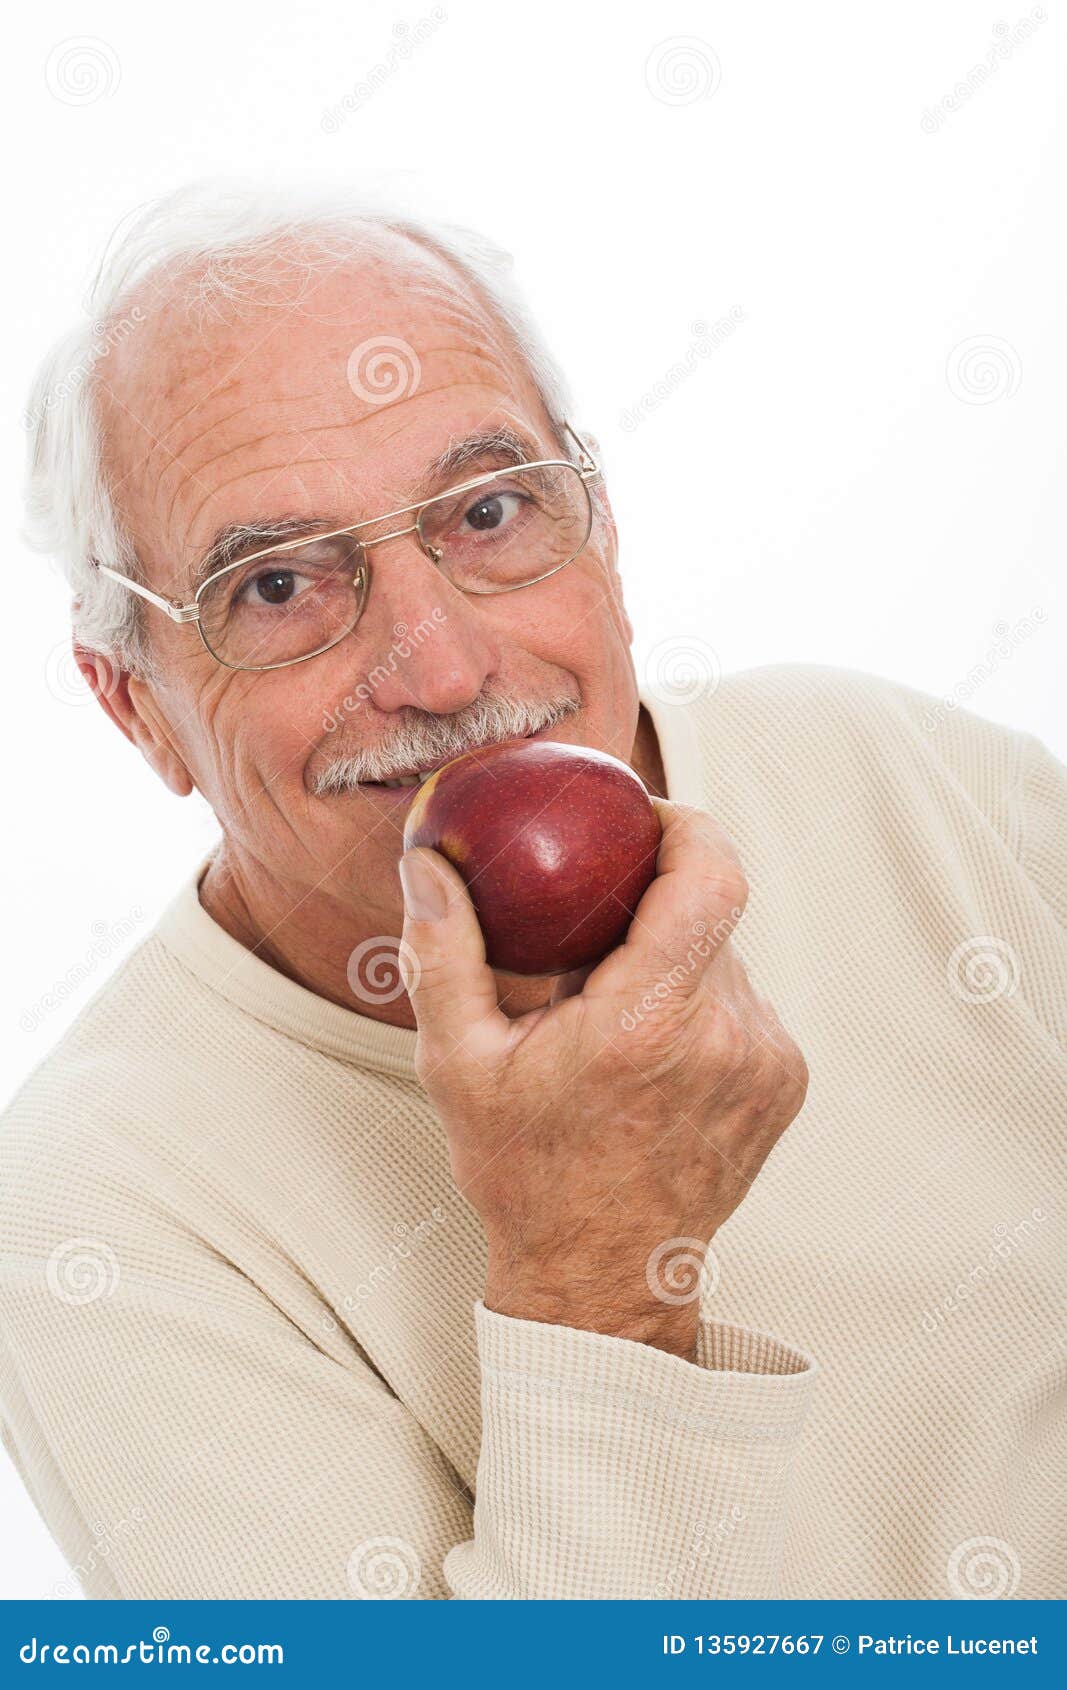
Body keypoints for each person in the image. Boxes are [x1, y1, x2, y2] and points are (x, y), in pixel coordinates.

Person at [1, 182, 1063, 1600]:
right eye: (276, 588)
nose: (442, 669)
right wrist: (596, 1284)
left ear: (601, 523)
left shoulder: (882, 764)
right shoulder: (95, 1215)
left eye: (488, 510)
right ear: (133, 706)